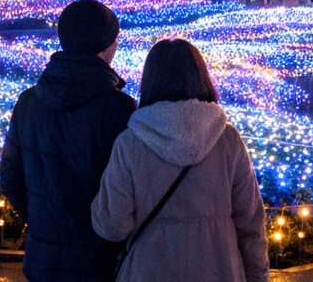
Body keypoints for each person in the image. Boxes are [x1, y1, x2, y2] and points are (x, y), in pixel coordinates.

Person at [91, 39, 269, 282]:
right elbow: (251, 222)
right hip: (220, 268)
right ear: (201, 78)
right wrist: (258, 275)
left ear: (149, 81)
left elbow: (112, 225)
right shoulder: (228, 140)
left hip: (149, 271)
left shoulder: (130, 143)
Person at [1, 0, 136, 282]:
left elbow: (10, 177)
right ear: (108, 46)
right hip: (101, 259)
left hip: (43, 257)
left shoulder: (28, 103)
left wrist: (41, 221)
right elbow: (129, 186)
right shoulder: (119, 109)